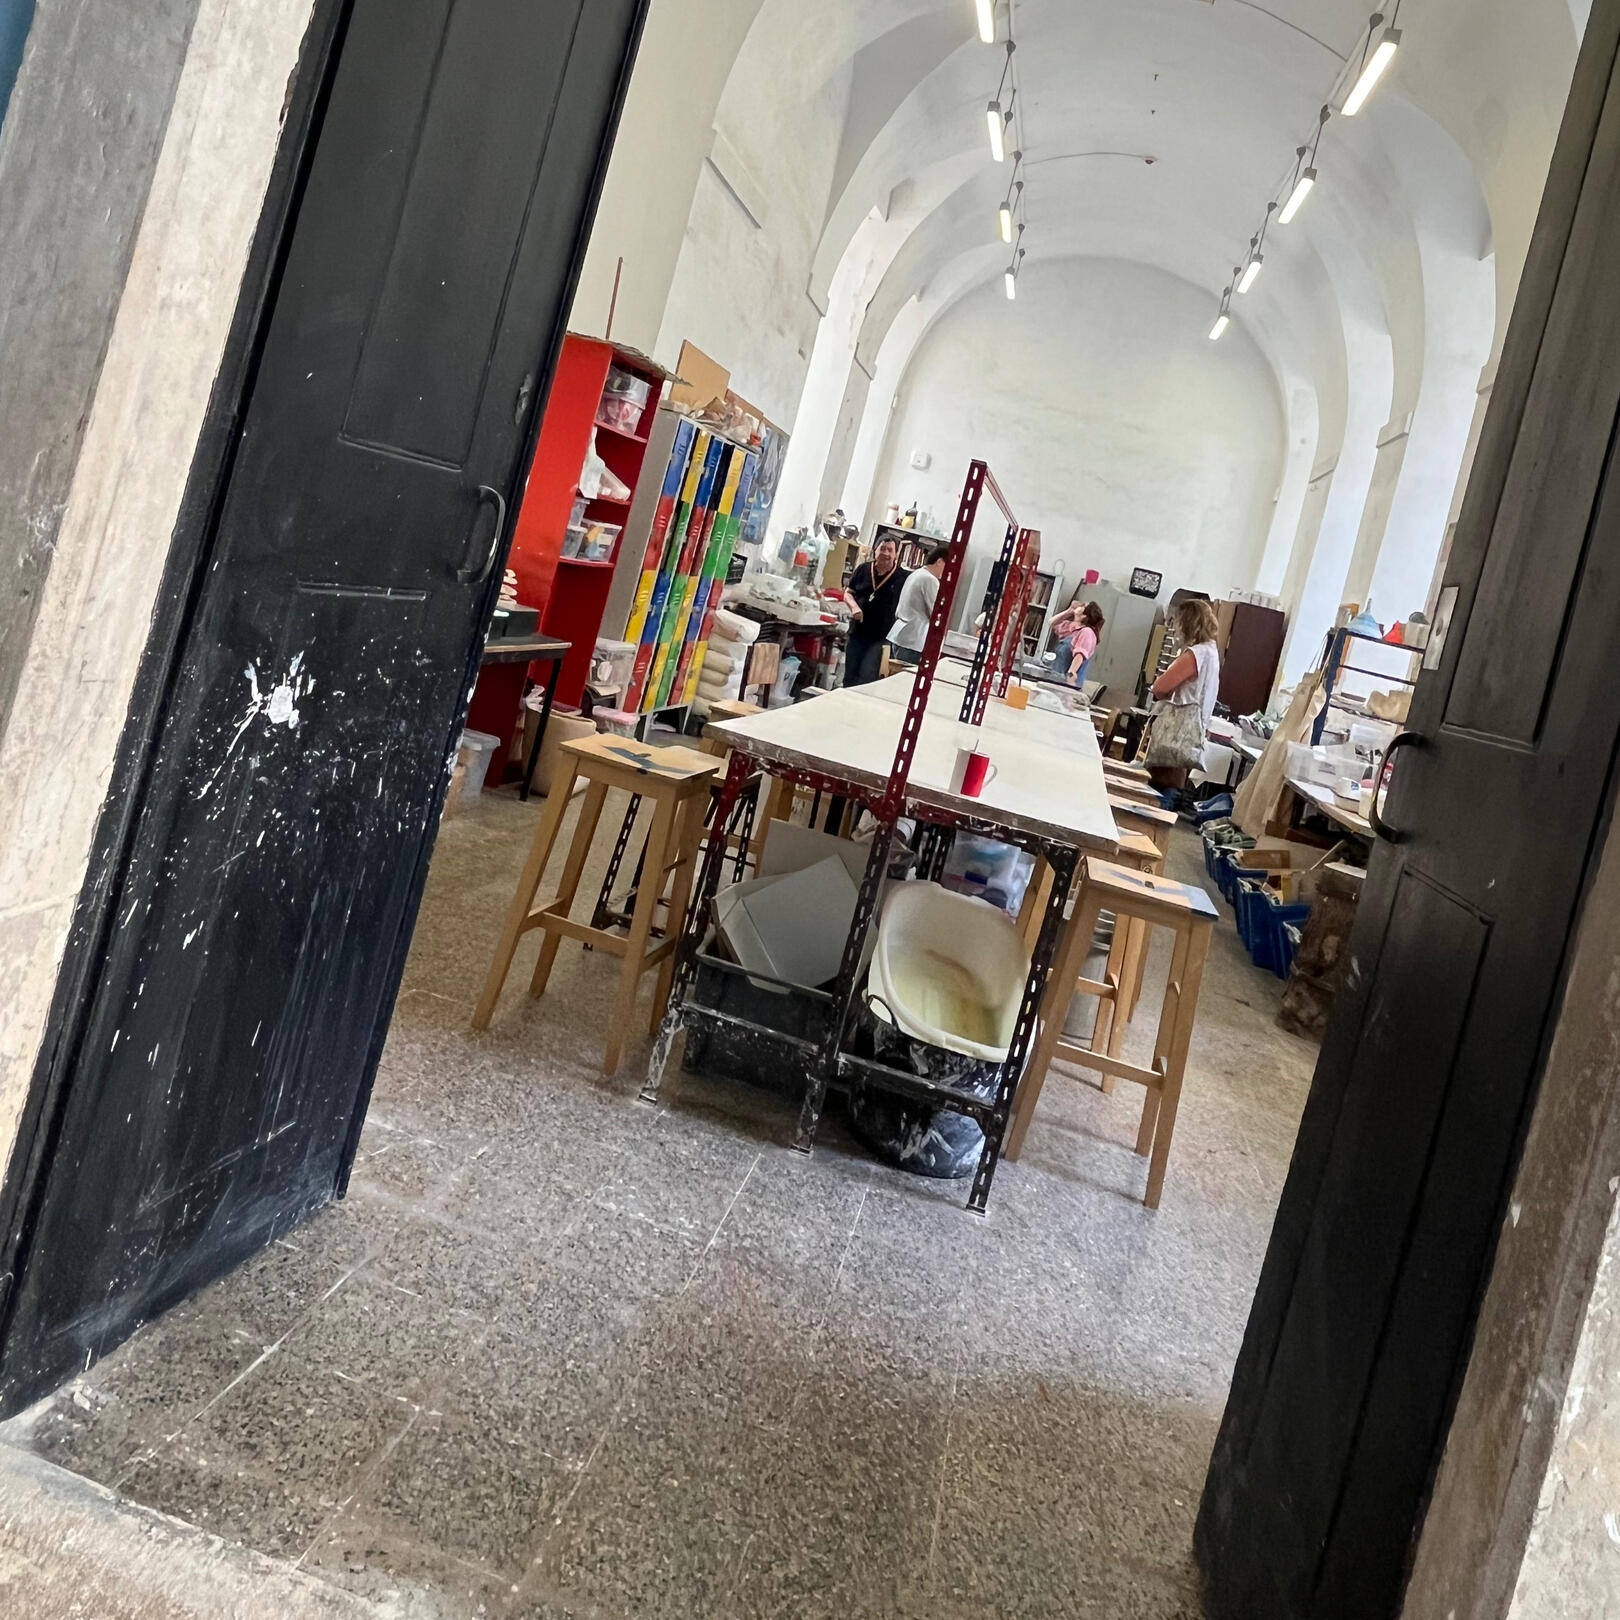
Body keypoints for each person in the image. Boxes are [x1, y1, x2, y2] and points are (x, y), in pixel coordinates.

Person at [1144, 598, 1222, 796]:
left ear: (1187, 623)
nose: (1176, 628)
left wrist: (1164, 689)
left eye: (1178, 622)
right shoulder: (1211, 652)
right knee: (1173, 781)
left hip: (1178, 729)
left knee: (1163, 786)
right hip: (1193, 729)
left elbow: (1160, 688)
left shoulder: (1196, 654)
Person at [842, 535, 905, 686]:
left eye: (890, 550)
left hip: (881, 636)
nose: (886, 553)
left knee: (867, 677)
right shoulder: (863, 569)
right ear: (875, 550)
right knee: (849, 676)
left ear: (896, 554)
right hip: (857, 632)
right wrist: (854, 608)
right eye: (882, 549)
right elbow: (848, 593)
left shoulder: (902, 577)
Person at [886, 543, 946, 666]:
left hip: (901, 635)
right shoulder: (930, 579)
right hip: (913, 640)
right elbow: (936, 613)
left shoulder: (917, 573)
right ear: (939, 562)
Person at [1065, 601, 1106, 685]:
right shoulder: (1082, 631)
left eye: (1083, 608)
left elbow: (1080, 655)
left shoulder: (1087, 632)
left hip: (1066, 683)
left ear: (1085, 616)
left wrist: (1071, 673)